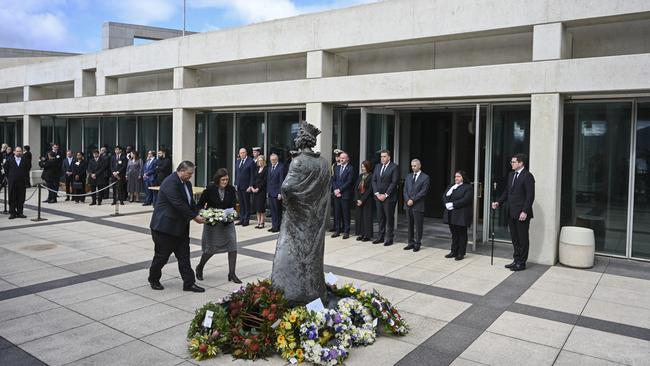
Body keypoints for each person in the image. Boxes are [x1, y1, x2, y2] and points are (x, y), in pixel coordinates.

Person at [148, 161, 206, 292]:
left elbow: (189, 203)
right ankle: (153, 278)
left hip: (181, 228)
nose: (190, 176)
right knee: (161, 257)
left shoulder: (187, 183)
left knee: (184, 257)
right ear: (181, 170)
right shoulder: (170, 182)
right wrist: (194, 217)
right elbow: (178, 204)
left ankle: (189, 283)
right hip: (165, 228)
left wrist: (198, 212)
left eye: (191, 174)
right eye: (189, 174)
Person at [195, 168, 241, 284]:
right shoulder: (210, 189)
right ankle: (200, 267)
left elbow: (234, 205)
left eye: (227, 179)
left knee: (233, 247)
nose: (225, 182)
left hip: (227, 223)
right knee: (210, 249)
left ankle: (232, 273)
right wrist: (204, 214)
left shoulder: (231, 189)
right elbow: (200, 205)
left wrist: (233, 214)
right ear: (218, 179)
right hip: (213, 224)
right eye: (223, 180)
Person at [492, 153, 535, 271]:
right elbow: (507, 192)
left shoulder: (528, 176)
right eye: (511, 162)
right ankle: (516, 260)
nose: (511, 164)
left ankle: (521, 262)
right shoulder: (511, 175)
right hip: (511, 211)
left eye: (514, 162)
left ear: (521, 163)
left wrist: (525, 211)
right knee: (515, 238)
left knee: (522, 239)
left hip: (521, 213)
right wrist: (498, 202)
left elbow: (530, 196)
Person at [442, 170, 473, 260]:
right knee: (454, 233)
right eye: (455, 176)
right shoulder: (451, 186)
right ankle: (453, 251)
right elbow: (444, 196)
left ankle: (461, 253)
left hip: (461, 214)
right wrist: (446, 204)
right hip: (451, 213)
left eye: (458, 176)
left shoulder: (468, 187)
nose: (456, 178)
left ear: (463, 177)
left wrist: (453, 204)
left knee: (462, 234)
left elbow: (466, 199)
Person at [372, 149, 400, 246]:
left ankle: (389, 238)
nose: (382, 158)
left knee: (389, 218)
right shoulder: (377, 166)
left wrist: (386, 195)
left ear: (389, 157)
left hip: (389, 198)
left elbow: (394, 182)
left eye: (384, 156)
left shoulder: (394, 167)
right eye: (381, 156)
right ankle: (380, 237)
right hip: (378, 197)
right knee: (380, 218)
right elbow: (374, 180)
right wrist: (377, 193)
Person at [403, 159, 430, 252]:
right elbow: (405, 190)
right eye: (412, 166)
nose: (413, 167)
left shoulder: (425, 177)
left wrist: (413, 200)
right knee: (409, 225)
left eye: (415, 166)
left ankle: (417, 243)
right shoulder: (408, 176)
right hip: (408, 205)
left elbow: (423, 192)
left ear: (419, 166)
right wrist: (407, 200)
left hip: (418, 205)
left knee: (418, 225)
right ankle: (410, 242)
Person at [331, 151, 355, 239]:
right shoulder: (337, 168)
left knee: (346, 214)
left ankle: (346, 231)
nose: (341, 159)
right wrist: (335, 190)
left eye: (343, 158)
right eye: (340, 158)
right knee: (336, 213)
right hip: (336, 194)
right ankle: (337, 231)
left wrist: (339, 190)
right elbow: (333, 179)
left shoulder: (350, 168)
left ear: (347, 159)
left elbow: (349, 181)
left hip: (345, 194)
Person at [3, 146, 29, 219]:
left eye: (20, 151)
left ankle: (20, 212)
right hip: (12, 182)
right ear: (14, 152)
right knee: (12, 197)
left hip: (22, 182)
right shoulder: (9, 160)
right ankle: (12, 213)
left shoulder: (25, 160)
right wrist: (10, 177)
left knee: (21, 198)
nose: (19, 152)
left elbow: (27, 169)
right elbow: (6, 169)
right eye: (17, 151)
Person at [235, 147, 255, 226]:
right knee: (241, 203)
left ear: (246, 153)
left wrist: (250, 185)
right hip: (239, 186)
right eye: (241, 153)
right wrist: (236, 184)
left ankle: (246, 219)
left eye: (243, 152)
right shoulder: (238, 161)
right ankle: (242, 218)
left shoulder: (250, 161)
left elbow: (252, 175)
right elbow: (237, 174)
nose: (242, 154)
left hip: (246, 186)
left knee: (246, 204)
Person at [354, 160, 373, 242]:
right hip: (359, 200)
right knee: (360, 217)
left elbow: (370, 190)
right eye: (362, 167)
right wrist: (357, 199)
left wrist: (362, 200)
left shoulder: (371, 176)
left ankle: (367, 235)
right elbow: (356, 188)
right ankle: (361, 234)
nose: (363, 168)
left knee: (366, 218)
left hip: (367, 200)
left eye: (364, 167)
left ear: (368, 167)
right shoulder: (360, 175)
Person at [267, 153, 285, 233]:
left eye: (274, 160)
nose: (272, 161)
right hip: (271, 192)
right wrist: (268, 192)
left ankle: (278, 226)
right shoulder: (270, 167)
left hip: (277, 193)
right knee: (273, 211)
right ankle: (274, 226)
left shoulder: (281, 167)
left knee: (278, 211)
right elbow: (268, 181)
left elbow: (281, 181)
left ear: (277, 159)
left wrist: (280, 193)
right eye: (271, 160)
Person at [252, 155, 268, 229]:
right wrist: (252, 187)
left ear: (264, 161)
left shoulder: (266, 169)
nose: (260, 162)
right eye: (259, 161)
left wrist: (258, 188)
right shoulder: (256, 169)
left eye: (261, 161)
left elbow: (264, 181)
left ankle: (262, 222)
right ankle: (258, 222)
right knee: (257, 207)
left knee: (261, 207)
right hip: (255, 190)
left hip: (262, 191)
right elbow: (254, 179)